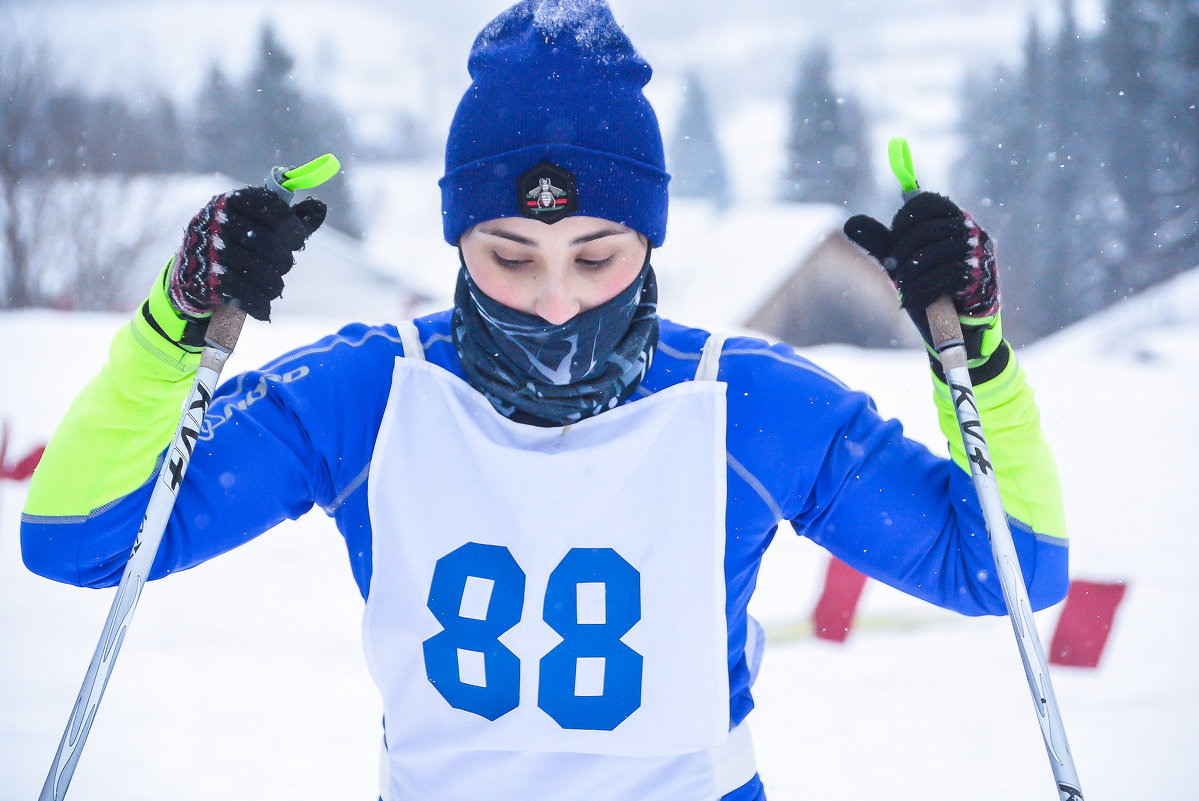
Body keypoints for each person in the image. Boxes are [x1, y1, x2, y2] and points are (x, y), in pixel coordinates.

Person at [21, 1, 1068, 799]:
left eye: (597, 254)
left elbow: (1007, 571)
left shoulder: (740, 404)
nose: (556, 302)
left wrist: (971, 347)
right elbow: (82, 540)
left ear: (649, 239)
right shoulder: (369, 394)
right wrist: (175, 323)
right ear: (456, 241)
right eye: (509, 254)